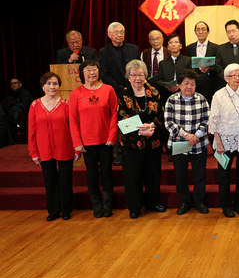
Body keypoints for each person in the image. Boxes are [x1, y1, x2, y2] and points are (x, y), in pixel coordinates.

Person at [69, 60, 118, 218]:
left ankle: (108, 205)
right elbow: (72, 119)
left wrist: (112, 137)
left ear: (99, 71)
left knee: (106, 173)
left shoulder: (108, 90)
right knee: (91, 175)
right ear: (82, 74)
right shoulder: (76, 93)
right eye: (88, 70)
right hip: (86, 142)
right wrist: (77, 143)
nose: (92, 73)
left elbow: (114, 114)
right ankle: (96, 206)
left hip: (106, 141)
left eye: (94, 69)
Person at [118, 60, 166, 219]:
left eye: (140, 75)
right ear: (128, 77)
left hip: (153, 140)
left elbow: (161, 114)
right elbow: (122, 117)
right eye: (134, 75)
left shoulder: (154, 92)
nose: (137, 78)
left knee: (153, 173)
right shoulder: (123, 94)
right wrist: (141, 131)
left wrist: (152, 126)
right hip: (131, 143)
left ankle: (153, 202)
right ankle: (135, 206)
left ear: (146, 75)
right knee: (133, 176)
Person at [28, 72, 78, 221]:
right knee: (49, 181)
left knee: (65, 180)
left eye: (55, 83)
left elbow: (73, 127)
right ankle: (53, 211)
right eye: (48, 83)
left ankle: (66, 210)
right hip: (44, 149)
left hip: (65, 147)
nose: (52, 86)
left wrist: (77, 148)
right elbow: (31, 131)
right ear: (43, 86)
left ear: (59, 86)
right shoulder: (35, 105)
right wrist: (34, 151)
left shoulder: (66, 104)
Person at [209, 64, 239, 218]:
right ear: (226, 78)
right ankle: (226, 206)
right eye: (233, 76)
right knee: (224, 175)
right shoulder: (219, 95)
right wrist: (219, 143)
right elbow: (213, 120)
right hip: (225, 141)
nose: (237, 78)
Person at [164, 69, 210, 215]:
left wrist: (196, 136)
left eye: (192, 84)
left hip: (199, 143)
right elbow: (168, 122)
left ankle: (199, 202)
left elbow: (207, 120)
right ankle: (184, 202)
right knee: (180, 175)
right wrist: (186, 135)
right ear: (178, 85)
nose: (189, 87)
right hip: (179, 143)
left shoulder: (201, 99)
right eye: (186, 83)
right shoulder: (171, 100)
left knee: (200, 175)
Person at [98, 22, 139, 95]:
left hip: (134, 89)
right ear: (109, 34)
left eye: (121, 32)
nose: (119, 35)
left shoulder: (133, 49)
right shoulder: (104, 52)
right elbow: (105, 75)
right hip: (115, 91)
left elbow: (138, 69)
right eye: (116, 32)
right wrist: (120, 88)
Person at [149, 33, 192, 101]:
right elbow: (157, 80)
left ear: (180, 46)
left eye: (176, 42)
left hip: (184, 93)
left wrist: (179, 86)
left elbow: (191, 77)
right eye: (170, 43)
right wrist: (167, 86)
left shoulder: (188, 60)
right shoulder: (163, 63)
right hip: (167, 95)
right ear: (168, 47)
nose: (173, 44)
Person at [185, 21, 218, 101]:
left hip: (210, 83)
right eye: (198, 30)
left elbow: (218, 65)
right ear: (195, 32)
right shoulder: (189, 48)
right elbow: (188, 65)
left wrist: (209, 69)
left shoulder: (216, 48)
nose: (200, 32)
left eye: (203, 29)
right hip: (194, 83)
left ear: (208, 32)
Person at [1, 78, 34, 144]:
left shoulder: (25, 94)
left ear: (20, 84)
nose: (13, 85)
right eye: (11, 84)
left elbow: (24, 106)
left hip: (25, 117)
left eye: (15, 83)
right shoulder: (10, 96)